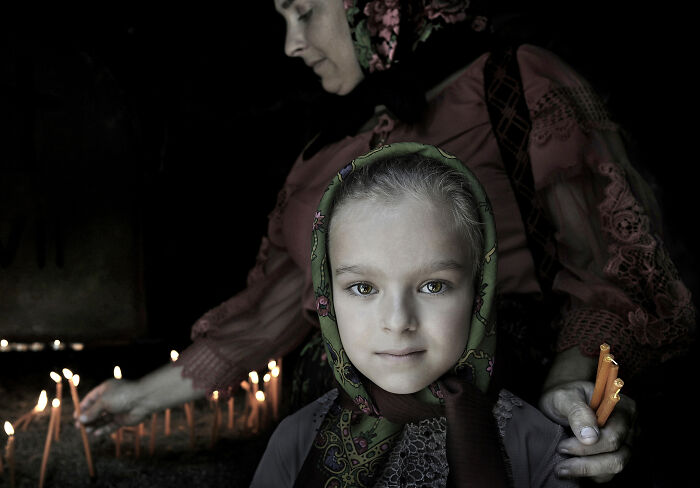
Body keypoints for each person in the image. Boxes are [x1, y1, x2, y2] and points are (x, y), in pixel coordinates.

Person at [78, 1, 695, 483]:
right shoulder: (330, 146)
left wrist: (569, 386)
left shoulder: (514, 84)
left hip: (493, 407)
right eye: (281, 19)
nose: (293, 44)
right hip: (340, 430)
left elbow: (613, 268)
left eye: (304, 11)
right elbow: (269, 314)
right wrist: (138, 398)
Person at [251, 142, 578, 487]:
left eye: (433, 286)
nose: (397, 322)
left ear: (479, 290)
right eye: (363, 288)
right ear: (327, 297)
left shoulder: (537, 443)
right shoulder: (296, 440)